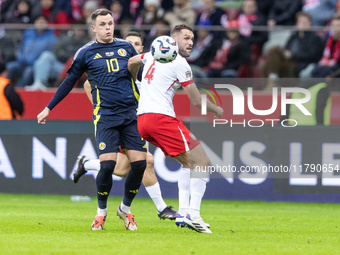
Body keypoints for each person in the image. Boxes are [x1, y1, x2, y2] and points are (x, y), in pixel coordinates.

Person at [37, 9, 147, 231]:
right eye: (103, 24)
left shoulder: (126, 47)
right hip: (106, 116)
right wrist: (49, 107)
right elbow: (69, 82)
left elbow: (141, 79)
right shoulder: (85, 53)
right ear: (94, 28)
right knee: (107, 166)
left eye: (110, 23)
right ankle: (101, 213)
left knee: (140, 164)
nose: (108, 27)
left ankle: (125, 210)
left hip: (130, 115)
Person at [128, 24, 224, 233]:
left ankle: (185, 213)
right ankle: (193, 215)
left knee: (189, 164)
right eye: (186, 38)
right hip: (161, 119)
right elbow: (197, 101)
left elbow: (132, 61)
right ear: (173, 40)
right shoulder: (180, 62)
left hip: (143, 121)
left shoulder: (151, 55)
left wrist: (135, 79)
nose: (191, 42)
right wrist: (216, 110)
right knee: (203, 162)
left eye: (192, 39)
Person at [73, 31, 177, 220]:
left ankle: (86, 164)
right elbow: (88, 84)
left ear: (141, 49)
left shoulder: (146, 71)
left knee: (122, 169)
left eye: (137, 44)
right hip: (115, 120)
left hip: (136, 122)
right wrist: (102, 111)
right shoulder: (116, 68)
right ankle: (161, 208)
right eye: (129, 43)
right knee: (147, 162)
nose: (133, 47)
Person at [27, 23, 89, 90]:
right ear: (74, 30)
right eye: (77, 30)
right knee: (45, 56)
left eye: (81, 31)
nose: (79, 32)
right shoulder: (65, 38)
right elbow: (56, 51)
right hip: (60, 66)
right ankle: (39, 83)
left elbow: (77, 58)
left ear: (84, 32)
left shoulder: (86, 43)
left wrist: (64, 53)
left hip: (72, 69)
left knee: (72, 61)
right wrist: (66, 54)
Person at [6, 15, 57, 87]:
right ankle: (4, 88)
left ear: (47, 24)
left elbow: (47, 54)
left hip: (35, 65)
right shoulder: (28, 33)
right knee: (10, 66)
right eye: (38, 21)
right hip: (22, 62)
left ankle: (20, 91)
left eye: (42, 22)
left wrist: (33, 61)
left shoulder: (51, 37)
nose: (40, 24)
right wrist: (20, 58)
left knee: (28, 72)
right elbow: (21, 47)